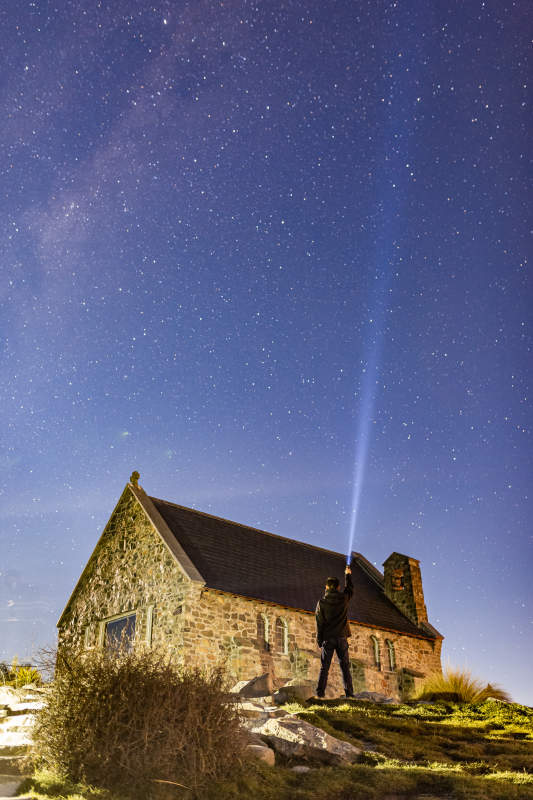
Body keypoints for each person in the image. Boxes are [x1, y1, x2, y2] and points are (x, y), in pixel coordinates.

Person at [315, 564, 354, 698]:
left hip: (328, 638)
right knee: (345, 667)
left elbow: (319, 622)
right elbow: (350, 589)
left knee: (324, 668)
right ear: (338, 587)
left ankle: (320, 694)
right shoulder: (343, 598)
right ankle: (349, 693)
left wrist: (319, 640)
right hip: (342, 637)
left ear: (326, 587)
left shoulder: (322, 603)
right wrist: (347, 574)